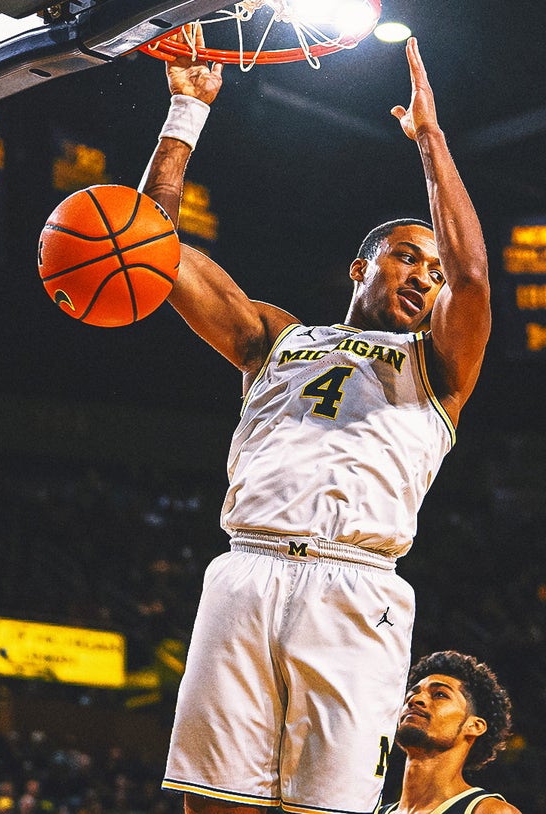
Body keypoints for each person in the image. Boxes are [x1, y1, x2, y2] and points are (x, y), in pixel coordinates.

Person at [139, 28, 491, 814]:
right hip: (246, 569)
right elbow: (149, 250)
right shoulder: (275, 337)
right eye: (407, 257)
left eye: (432, 271)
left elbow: (472, 275)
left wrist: (430, 140)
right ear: (362, 267)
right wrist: (185, 114)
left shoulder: (438, 368)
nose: (425, 276)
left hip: (355, 585)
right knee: (211, 805)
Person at [379, 651, 520, 814]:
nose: (415, 700)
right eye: (412, 694)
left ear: (474, 726)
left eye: (440, 695)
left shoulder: (489, 811)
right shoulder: (372, 809)